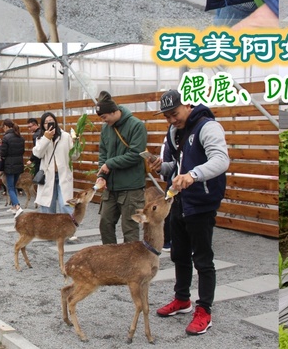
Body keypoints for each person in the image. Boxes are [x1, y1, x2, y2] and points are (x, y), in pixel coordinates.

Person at [151, 89, 229, 336]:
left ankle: (204, 310)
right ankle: (182, 299)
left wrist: (194, 175)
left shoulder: (208, 126)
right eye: (167, 117)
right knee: (179, 254)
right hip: (178, 201)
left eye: (174, 114)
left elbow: (221, 160)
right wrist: (162, 167)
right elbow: (178, 165)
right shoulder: (175, 132)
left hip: (201, 203)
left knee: (203, 259)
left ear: (187, 105)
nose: (172, 120)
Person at [94, 90, 147, 244]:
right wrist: (101, 175)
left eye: (104, 117)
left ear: (114, 111)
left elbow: (136, 154)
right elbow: (103, 152)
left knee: (129, 228)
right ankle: (111, 260)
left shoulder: (136, 126)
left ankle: (132, 266)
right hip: (111, 187)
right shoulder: (106, 129)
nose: (104, 121)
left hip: (131, 188)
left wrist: (110, 163)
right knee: (105, 224)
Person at [33, 112, 79, 214]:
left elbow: (74, 156)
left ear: (55, 122)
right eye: (45, 122)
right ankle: (48, 230)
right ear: (42, 125)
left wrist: (76, 145)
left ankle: (67, 229)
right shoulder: (40, 138)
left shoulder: (66, 136)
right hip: (47, 177)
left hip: (63, 175)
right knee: (47, 208)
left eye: (51, 121)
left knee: (66, 206)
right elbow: (38, 154)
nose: (49, 124)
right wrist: (46, 139)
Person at [0, 118, 26, 215]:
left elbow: (3, 152)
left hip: (9, 164)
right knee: (13, 186)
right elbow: (22, 151)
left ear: (6, 126)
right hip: (19, 164)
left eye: (3, 127)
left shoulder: (6, 138)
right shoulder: (20, 137)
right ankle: (14, 206)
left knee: (10, 187)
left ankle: (18, 206)